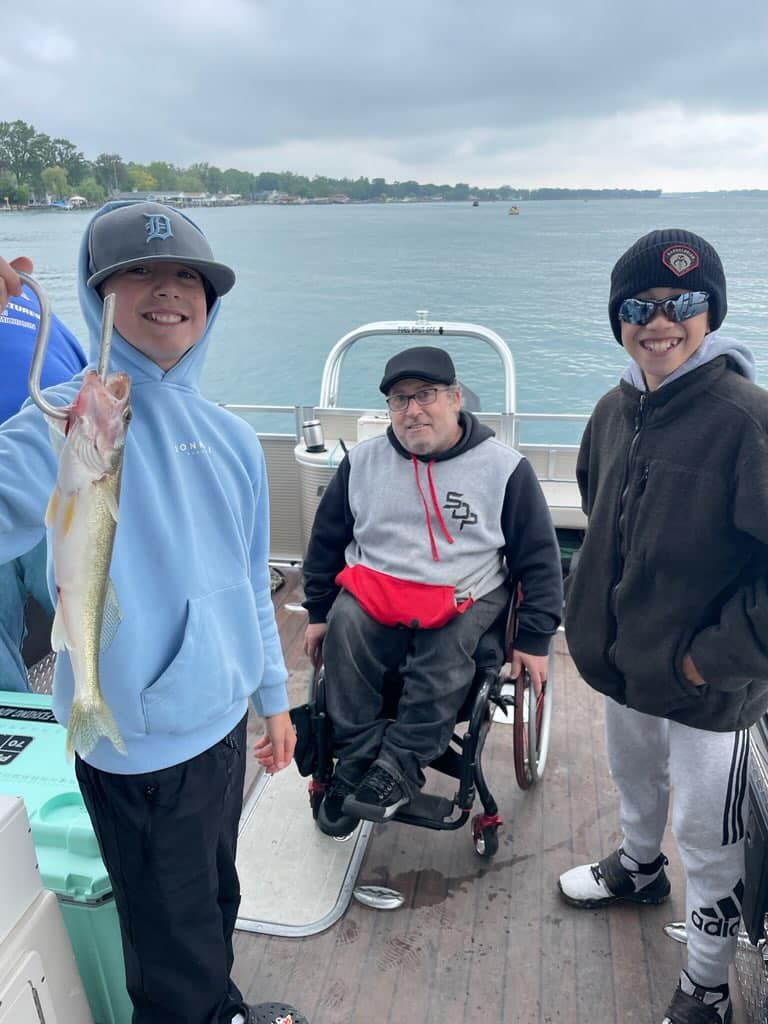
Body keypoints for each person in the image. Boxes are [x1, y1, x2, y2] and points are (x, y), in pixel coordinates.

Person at [0, 201, 307, 1024]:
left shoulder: (234, 438)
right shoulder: (61, 420)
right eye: (136, 272)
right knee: (169, 951)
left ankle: (220, 1005)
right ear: (96, 296)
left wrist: (271, 698)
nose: (166, 290)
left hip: (218, 731)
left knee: (213, 901)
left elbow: (249, 586)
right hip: (130, 747)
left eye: (187, 278)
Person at [559, 228, 768, 1024]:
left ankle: (707, 980)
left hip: (711, 689)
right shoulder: (614, 410)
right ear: (619, 319)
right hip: (626, 669)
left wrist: (703, 659)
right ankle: (639, 870)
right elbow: (593, 506)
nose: (660, 321)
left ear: (709, 312)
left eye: (681, 303)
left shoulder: (748, 420)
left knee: (711, 841)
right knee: (636, 784)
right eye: (639, 306)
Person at [296, 345, 563, 837]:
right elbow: (326, 541)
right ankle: (358, 758)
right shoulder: (363, 462)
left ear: (455, 398)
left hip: (466, 588)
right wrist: (317, 611)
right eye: (400, 400)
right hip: (379, 583)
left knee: (449, 645)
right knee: (345, 624)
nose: (412, 410)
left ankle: (399, 765)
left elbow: (539, 560)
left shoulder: (504, 468)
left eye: (426, 395)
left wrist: (534, 641)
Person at [0, 288, 86, 691]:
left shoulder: (38, 306)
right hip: (62, 494)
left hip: (51, 494)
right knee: (98, 622)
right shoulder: (40, 306)